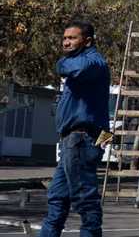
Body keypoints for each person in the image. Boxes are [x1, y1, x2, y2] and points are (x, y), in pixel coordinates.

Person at [40, 21, 110, 237]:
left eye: (72, 38)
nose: (66, 42)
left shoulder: (93, 62)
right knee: (57, 198)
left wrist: (61, 64)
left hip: (82, 139)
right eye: (64, 38)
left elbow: (73, 68)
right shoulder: (79, 61)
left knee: (85, 200)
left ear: (87, 41)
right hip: (72, 140)